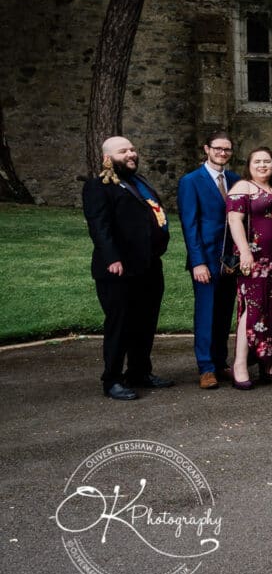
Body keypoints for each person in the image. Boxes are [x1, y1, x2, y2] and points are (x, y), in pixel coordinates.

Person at [83, 136, 172, 400]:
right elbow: (99, 226)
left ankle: (139, 371)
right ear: (108, 158)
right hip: (118, 269)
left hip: (147, 266)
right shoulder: (98, 187)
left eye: (133, 149)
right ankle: (112, 379)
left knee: (145, 322)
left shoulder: (139, 182)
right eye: (124, 151)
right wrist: (112, 258)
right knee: (120, 324)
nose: (131, 154)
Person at [177, 131, 239, 389]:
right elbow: (189, 224)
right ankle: (206, 367)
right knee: (206, 313)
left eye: (227, 149)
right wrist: (197, 262)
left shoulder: (235, 180)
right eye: (217, 148)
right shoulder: (191, 181)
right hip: (206, 258)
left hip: (230, 260)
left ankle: (220, 360)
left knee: (224, 313)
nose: (222, 153)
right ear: (207, 149)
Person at [225, 147, 272, 388]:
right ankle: (240, 363)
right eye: (258, 161)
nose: (263, 165)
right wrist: (245, 252)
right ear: (249, 165)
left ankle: (266, 360)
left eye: (267, 161)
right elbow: (234, 220)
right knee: (251, 309)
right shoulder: (243, 187)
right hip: (254, 258)